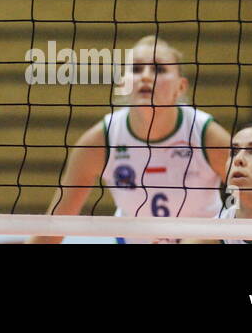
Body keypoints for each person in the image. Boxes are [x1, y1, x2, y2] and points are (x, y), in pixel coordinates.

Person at [28, 34, 232, 243]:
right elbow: (57, 221)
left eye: (158, 69)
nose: (145, 76)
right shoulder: (100, 141)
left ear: (181, 86)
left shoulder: (206, 135)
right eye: (136, 69)